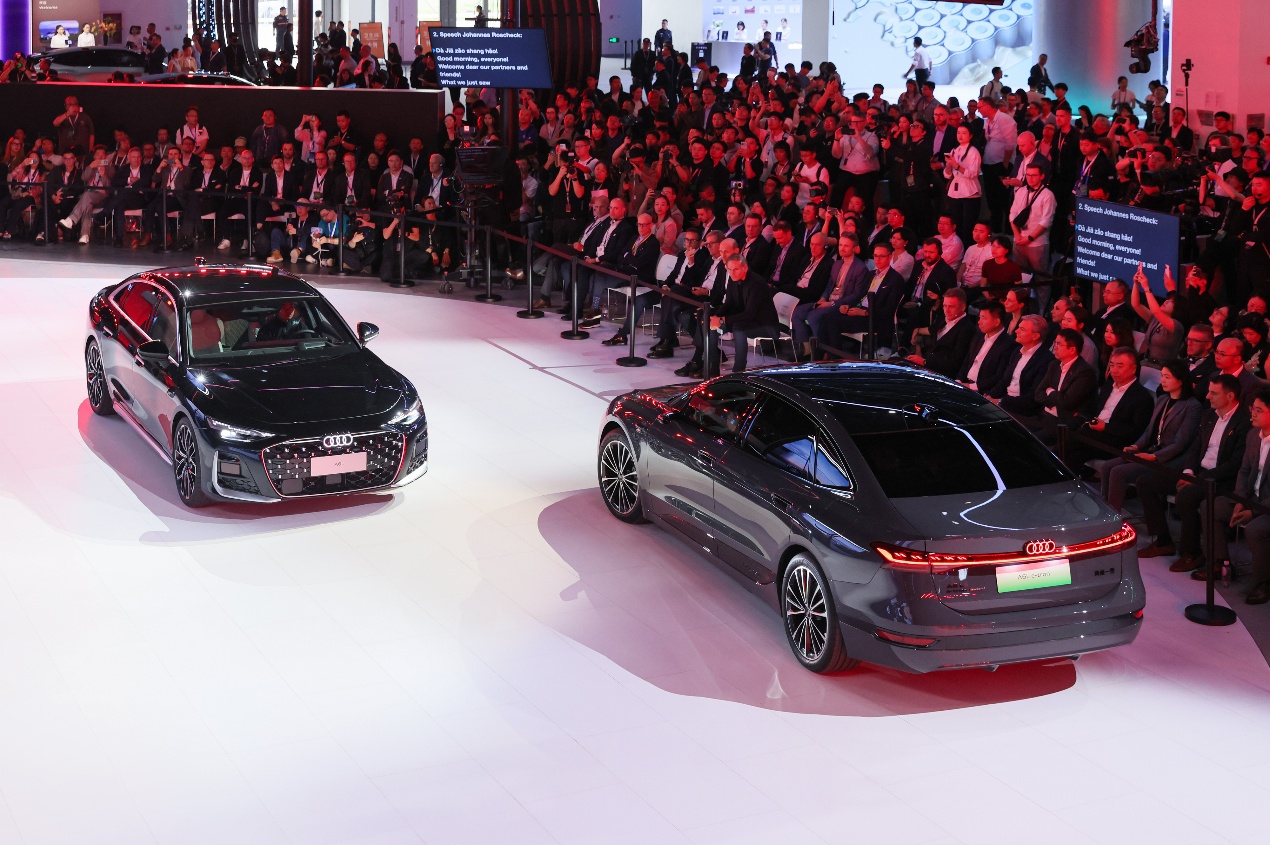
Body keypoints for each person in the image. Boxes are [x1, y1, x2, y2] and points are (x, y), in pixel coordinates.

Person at [1136, 374, 1250, 567]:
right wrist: (1189, 472)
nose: (1207, 396)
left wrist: (1199, 478)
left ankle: (1192, 552)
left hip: (1221, 479)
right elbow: (1196, 448)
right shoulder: (1209, 415)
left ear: (1230, 396)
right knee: (1145, 482)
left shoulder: (1244, 422)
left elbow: (1234, 464)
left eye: (1213, 393)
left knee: (1186, 497)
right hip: (1197, 472)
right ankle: (1163, 541)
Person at [1099, 359, 1203, 511]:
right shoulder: (1162, 399)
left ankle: (1113, 512)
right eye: (1162, 376)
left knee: (1118, 471)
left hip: (1168, 458)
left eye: (1167, 377)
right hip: (1150, 450)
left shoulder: (1192, 406)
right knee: (1107, 466)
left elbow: (1181, 443)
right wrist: (1136, 446)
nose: (1162, 381)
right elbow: (1149, 431)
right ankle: (1105, 507)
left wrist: (1153, 457)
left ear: (1180, 380)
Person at [1200, 388, 1270, 604]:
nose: (1253, 414)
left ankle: (1262, 583)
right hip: (1251, 497)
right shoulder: (1253, 435)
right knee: (1211, 506)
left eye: (1259, 410)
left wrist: (1253, 511)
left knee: (1255, 529)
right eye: (1252, 408)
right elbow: (1244, 470)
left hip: (1266, 504)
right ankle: (1221, 562)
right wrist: (1240, 500)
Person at [988, 314, 1055, 419]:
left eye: (1022, 329)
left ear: (1035, 336)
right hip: (1005, 402)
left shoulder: (1046, 360)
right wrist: (989, 396)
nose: (1016, 331)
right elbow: (1004, 381)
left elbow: (1033, 398)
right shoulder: (1016, 351)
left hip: (1023, 412)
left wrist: (1000, 401)